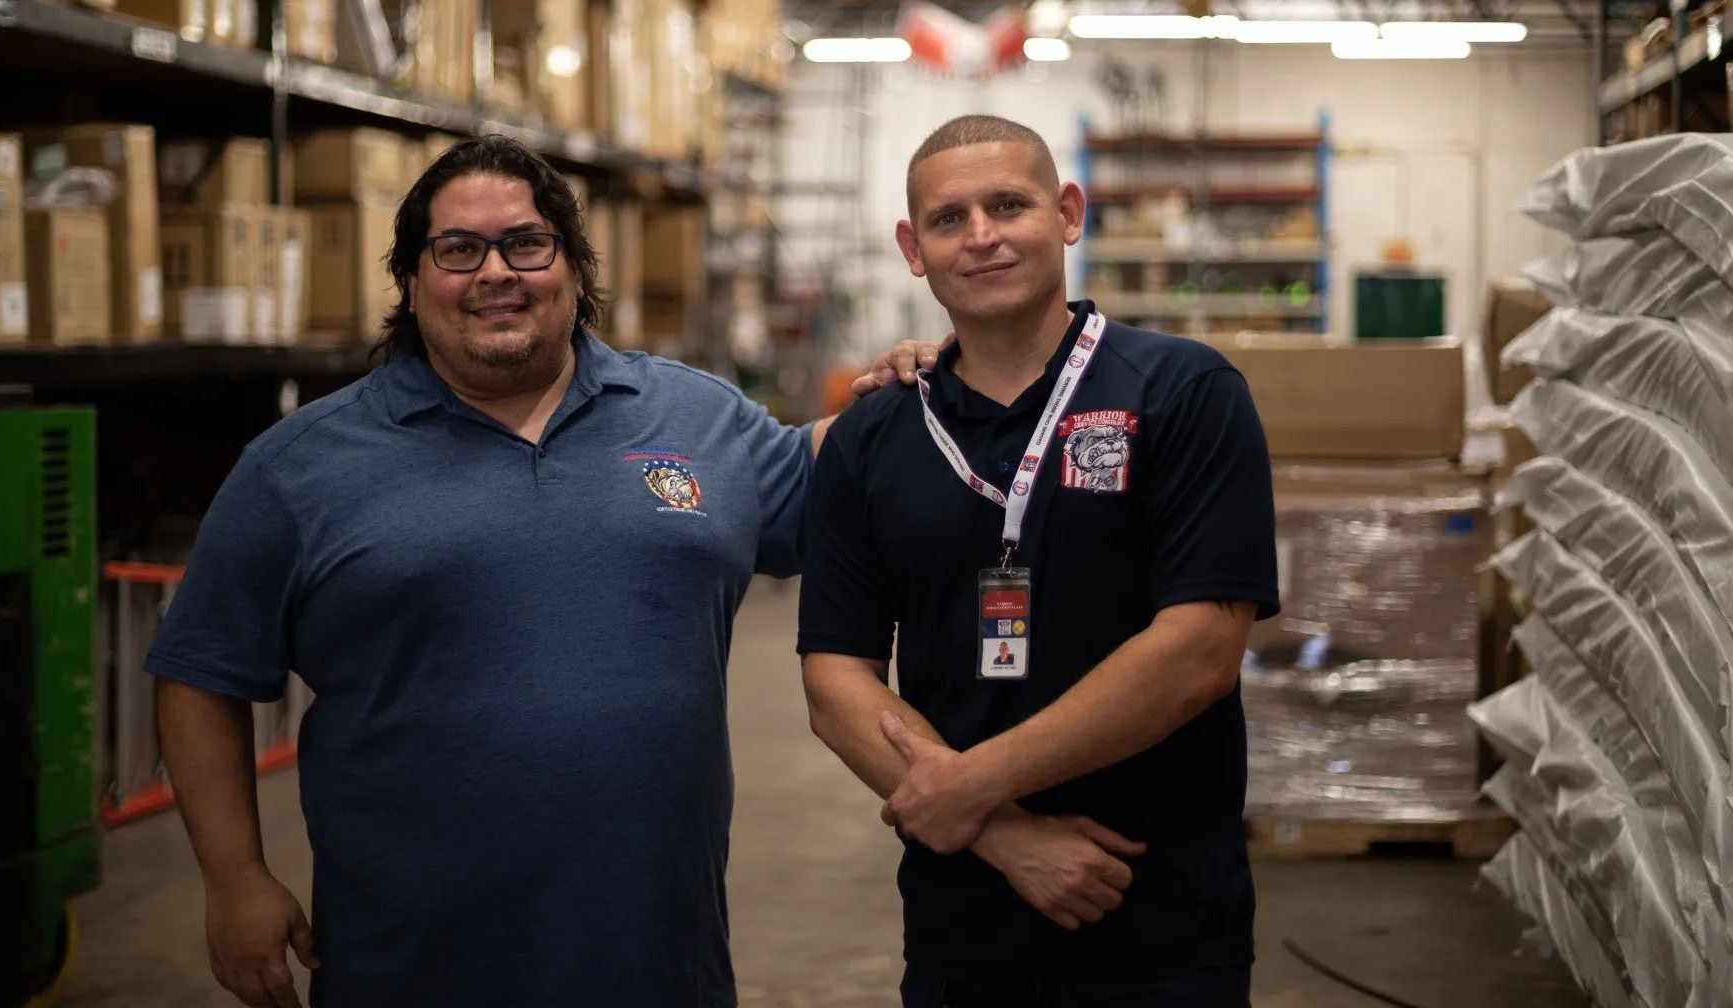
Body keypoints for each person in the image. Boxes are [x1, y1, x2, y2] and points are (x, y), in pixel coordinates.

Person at [146, 134, 935, 1008]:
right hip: (408, 964)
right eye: (457, 250)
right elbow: (198, 675)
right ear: (411, 281)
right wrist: (233, 878)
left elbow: (840, 475)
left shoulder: (697, 417)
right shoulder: (298, 467)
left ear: (574, 268)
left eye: (526, 243)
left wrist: (922, 382)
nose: (495, 273)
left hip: (657, 960)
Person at [799, 114, 1279, 1007]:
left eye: (1008, 205)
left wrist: (970, 784)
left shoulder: (1184, 393)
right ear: (913, 248)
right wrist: (1002, 834)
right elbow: (836, 682)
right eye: (948, 219)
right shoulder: (873, 432)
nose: (980, 236)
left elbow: (1200, 654)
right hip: (959, 929)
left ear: (1067, 212)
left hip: (1159, 918)